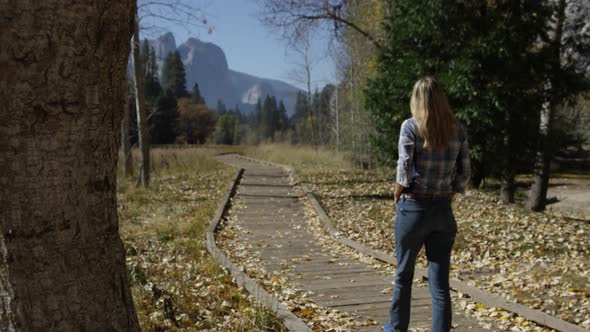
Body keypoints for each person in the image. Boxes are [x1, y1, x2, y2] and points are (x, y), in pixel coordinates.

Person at [384, 77, 471, 332]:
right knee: (440, 283)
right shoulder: (458, 130)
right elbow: (464, 173)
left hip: (413, 209)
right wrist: (449, 194)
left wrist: (397, 193)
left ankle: (398, 329)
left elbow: (404, 169)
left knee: (403, 276)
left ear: (416, 100)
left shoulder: (410, 127)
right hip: (443, 211)